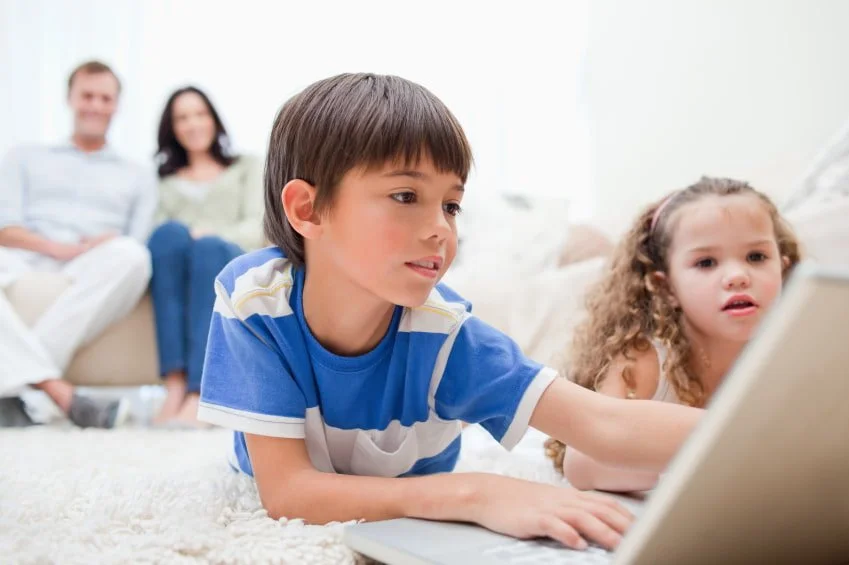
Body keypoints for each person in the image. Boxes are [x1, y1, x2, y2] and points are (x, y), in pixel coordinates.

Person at [196, 73, 702, 552]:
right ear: (307, 209)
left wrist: (771, 448)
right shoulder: (255, 304)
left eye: (452, 206)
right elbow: (289, 493)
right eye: (405, 196)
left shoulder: (446, 336)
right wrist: (472, 493)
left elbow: (602, 424)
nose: (440, 228)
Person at [544, 177, 801, 492]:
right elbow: (581, 463)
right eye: (706, 262)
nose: (737, 276)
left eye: (756, 257)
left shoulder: (792, 351)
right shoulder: (644, 359)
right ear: (666, 287)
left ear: (784, 268)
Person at [0, 60, 156, 428]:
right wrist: (58, 248)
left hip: (94, 267)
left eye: (106, 98)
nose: (96, 106)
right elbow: (4, 228)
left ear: (117, 105)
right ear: (70, 98)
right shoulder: (24, 156)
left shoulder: (138, 174)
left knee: (133, 256)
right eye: (88, 95)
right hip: (27, 258)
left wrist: (108, 243)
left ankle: (23, 387)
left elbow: (137, 242)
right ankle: (57, 392)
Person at [147, 86, 263, 426]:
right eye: (182, 118)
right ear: (173, 128)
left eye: (200, 114)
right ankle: (175, 385)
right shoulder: (163, 181)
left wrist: (209, 235)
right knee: (168, 235)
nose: (193, 123)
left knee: (208, 249)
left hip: (227, 255)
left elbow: (256, 227)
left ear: (213, 120)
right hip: (182, 263)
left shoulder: (246, 166)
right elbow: (157, 235)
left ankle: (202, 392)